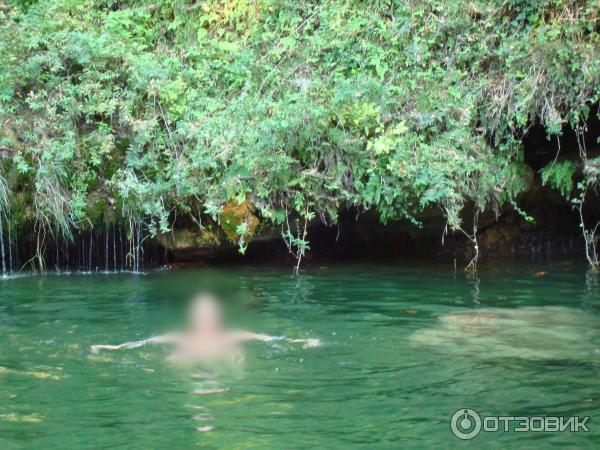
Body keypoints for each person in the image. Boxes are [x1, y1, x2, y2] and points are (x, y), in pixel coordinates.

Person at [90, 294, 319, 362]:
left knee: (235, 354)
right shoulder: (182, 338)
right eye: (201, 315)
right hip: (189, 363)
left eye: (208, 314)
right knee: (174, 358)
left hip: (223, 362)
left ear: (217, 318)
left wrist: (302, 342)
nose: (204, 319)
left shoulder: (231, 336)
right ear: (193, 318)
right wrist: (110, 348)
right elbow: (143, 343)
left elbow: (268, 339)